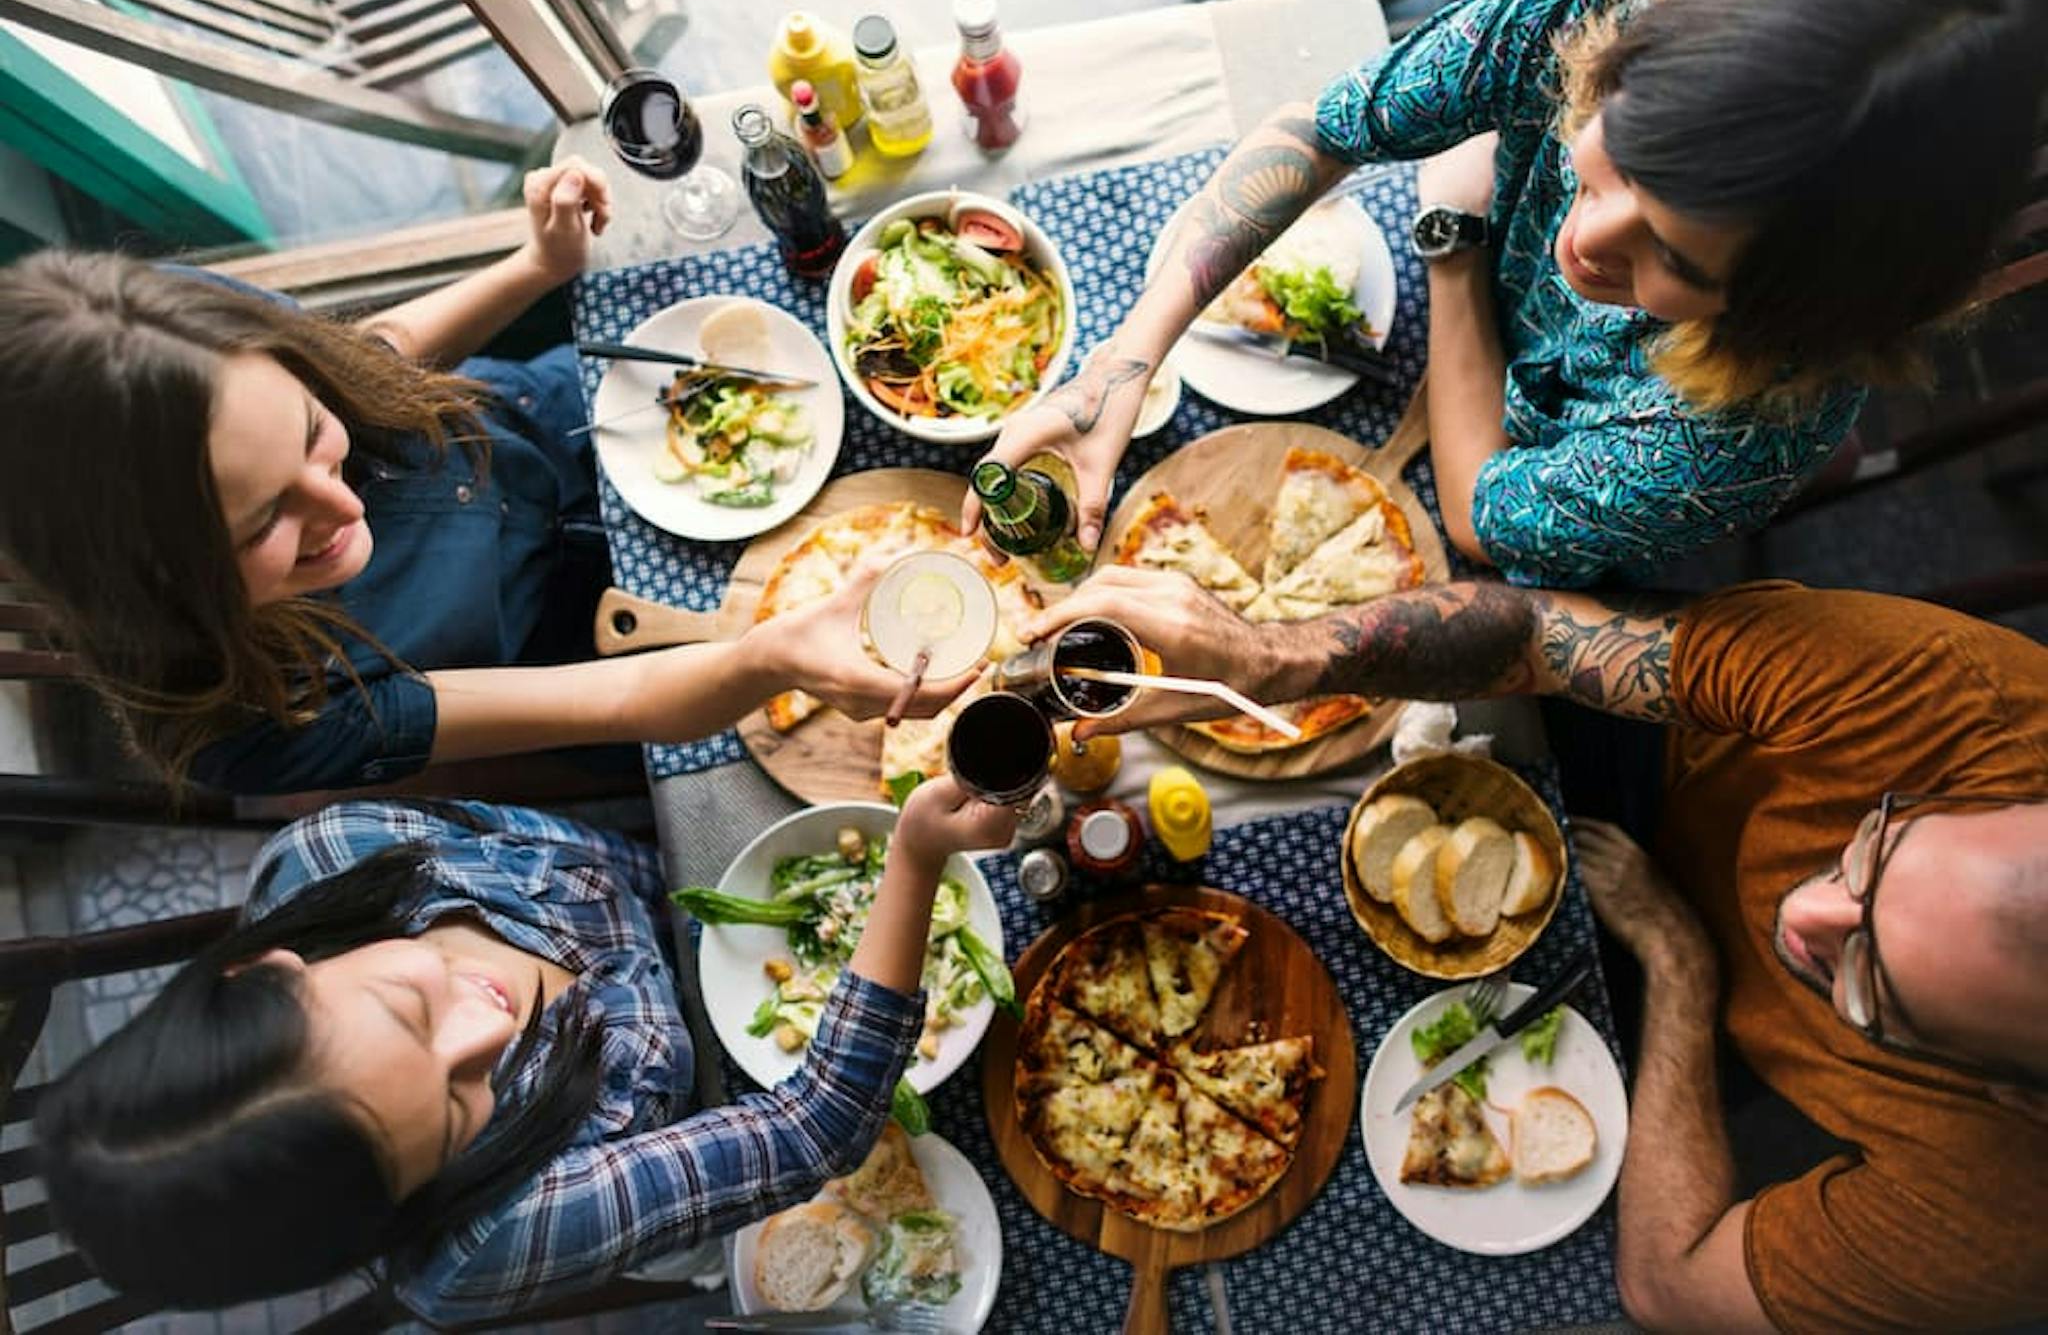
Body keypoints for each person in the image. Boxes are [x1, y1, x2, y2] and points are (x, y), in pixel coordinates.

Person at [1027, 568, 2048, 1331]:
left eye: (1867, 981)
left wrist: (1682, 967)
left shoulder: (1999, 1217)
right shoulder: (1966, 706)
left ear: (2018, 1094)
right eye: (1875, 850)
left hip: (1682, 1004)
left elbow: (1666, 1286)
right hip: (1653, 742)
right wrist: (1275, 656)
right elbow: (1529, 634)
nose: (1805, 913)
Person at [967, 0, 2047, 587]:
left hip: (1499, 436)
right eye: (1613, 150)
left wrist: (1448, 247)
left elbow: (1483, 509)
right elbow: (1322, 130)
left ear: (1786, 315)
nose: (1585, 238)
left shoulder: (1745, 433)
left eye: (1673, 259)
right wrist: (1127, 357)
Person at [0, 163, 974, 793]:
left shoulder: (179, 337)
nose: (337, 507)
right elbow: (619, 707)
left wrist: (535, 264)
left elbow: (368, 360)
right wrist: (773, 657)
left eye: (310, 435)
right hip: (575, 655)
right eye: (264, 521)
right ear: (154, 584)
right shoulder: (246, 722)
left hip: (563, 425)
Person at [33, 774, 1017, 1322]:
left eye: (407, 1012)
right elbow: (811, 1131)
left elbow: (586, 850)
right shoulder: (479, 1242)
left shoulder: (335, 850)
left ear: (271, 974)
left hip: (697, 905)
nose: (493, 1024)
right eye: (463, 1104)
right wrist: (913, 860)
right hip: (726, 1116)